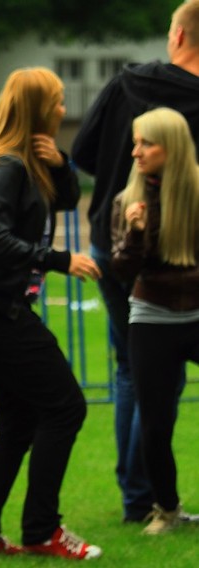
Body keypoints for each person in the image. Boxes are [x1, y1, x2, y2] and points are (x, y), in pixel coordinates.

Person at [0, 67, 102, 560]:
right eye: (57, 102)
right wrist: (63, 260)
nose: (63, 109)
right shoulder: (6, 166)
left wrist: (61, 164)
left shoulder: (25, 161)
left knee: (17, 421)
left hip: (3, 308)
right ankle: (43, 529)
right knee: (65, 408)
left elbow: (62, 201)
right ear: (38, 107)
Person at [71, 0, 199, 523]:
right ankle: (151, 497)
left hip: (111, 234)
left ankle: (139, 495)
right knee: (159, 376)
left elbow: (80, 152)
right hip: (183, 257)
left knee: (134, 369)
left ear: (176, 35)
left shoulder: (126, 84)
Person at [110, 107, 199, 535]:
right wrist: (135, 235)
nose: (136, 152)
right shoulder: (129, 202)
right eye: (136, 142)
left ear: (173, 147)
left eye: (147, 143)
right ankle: (165, 508)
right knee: (155, 420)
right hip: (152, 319)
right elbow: (122, 272)